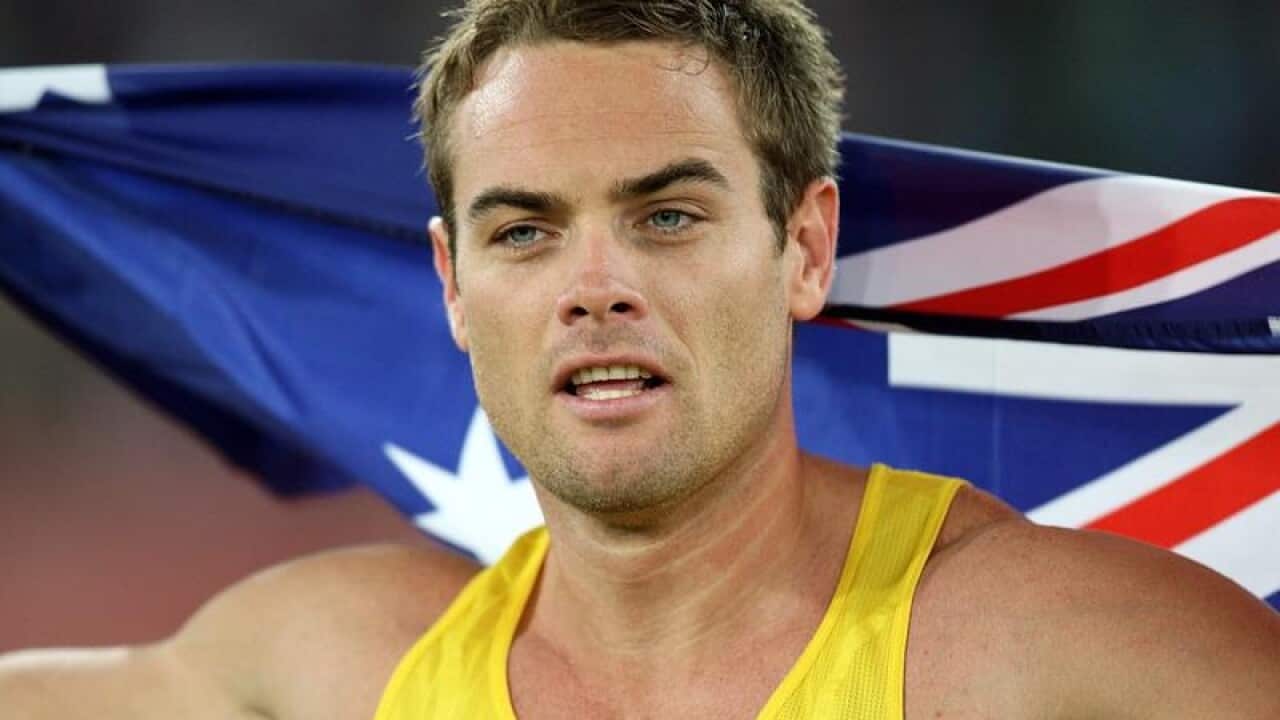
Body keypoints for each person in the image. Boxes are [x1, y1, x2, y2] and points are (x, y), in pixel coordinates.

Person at [2, 0, 1278, 717]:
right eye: (524, 230)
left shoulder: (1053, 655)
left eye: (666, 216)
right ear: (453, 284)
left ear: (803, 248)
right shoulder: (342, 663)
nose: (593, 290)